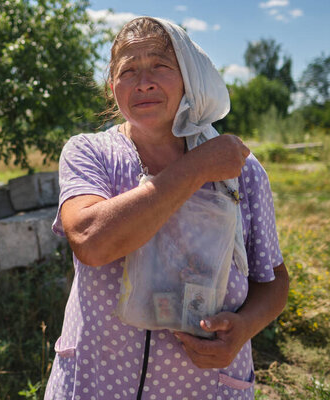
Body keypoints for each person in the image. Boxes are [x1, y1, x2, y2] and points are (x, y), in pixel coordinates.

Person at [44, 17, 289, 400]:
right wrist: (196, 167)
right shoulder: (90, 153)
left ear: (189, 77)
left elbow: (272, 280)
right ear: (113, 88)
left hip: (204, 384)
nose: (144, 82)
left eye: (160, 65)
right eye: (128, 71)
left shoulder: (239, 169)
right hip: (98, 381)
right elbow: (91, 241)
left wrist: (242, 329)